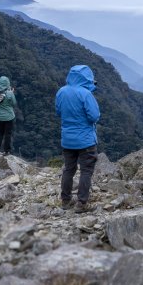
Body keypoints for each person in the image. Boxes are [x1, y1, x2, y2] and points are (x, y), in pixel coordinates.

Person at [56, 65, 100, 213]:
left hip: (67, 139)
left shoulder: (61, 92)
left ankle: (65, 200)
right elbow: (94, 116)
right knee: (86, 171)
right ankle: (82, 203)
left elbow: (58, 111)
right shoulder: (86, 94)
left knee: (69, 169)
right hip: (86, 140)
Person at [0, 76, 17, 155]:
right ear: (7, 84)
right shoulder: (9, 94)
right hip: (9, 117)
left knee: (0, 133)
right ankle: (7, 151)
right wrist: (11, 92)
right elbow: (14, 103)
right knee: (7, 134)